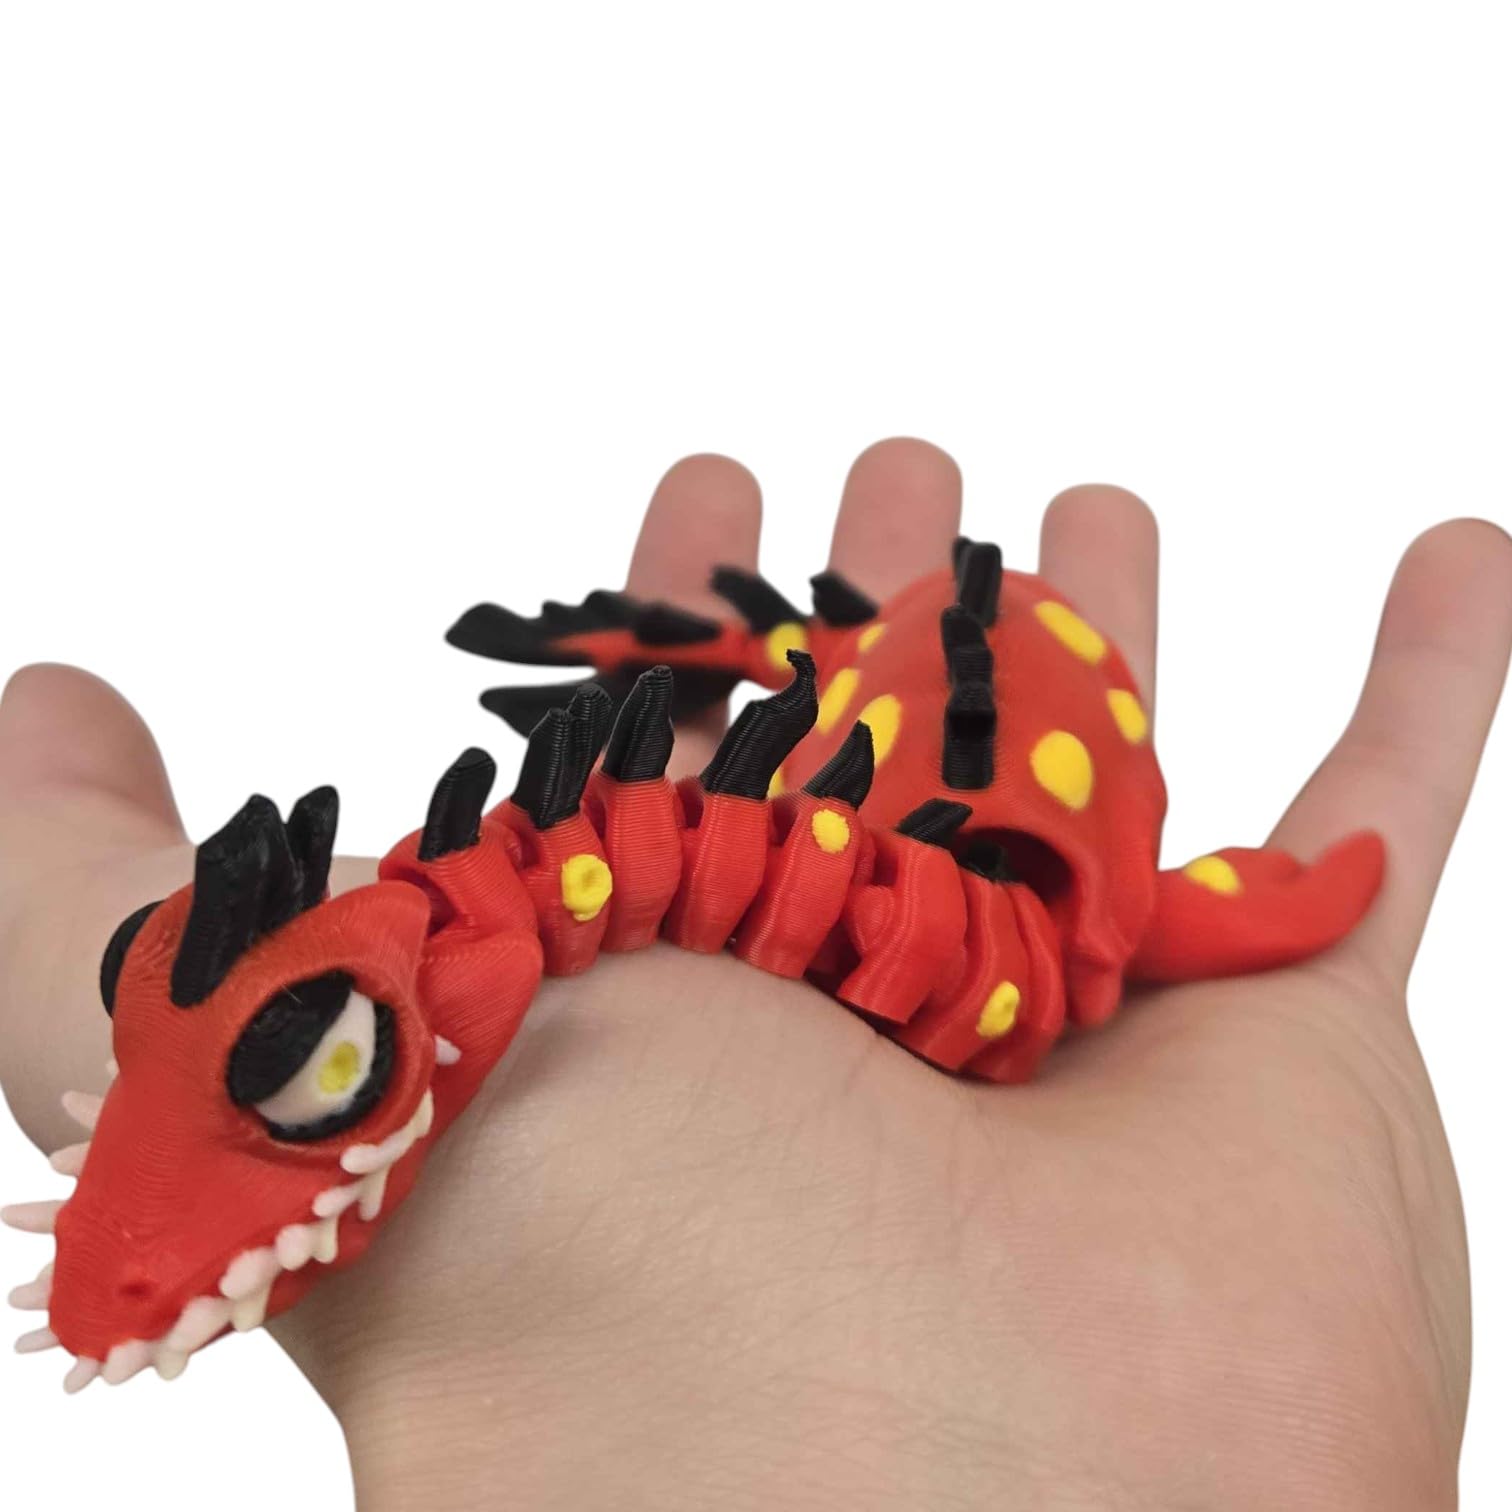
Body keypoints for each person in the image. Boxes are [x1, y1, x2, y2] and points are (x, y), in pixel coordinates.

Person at [0, 439, 1506, 1510]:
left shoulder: (1019, 942)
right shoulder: (487, 931)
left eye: (325, 1064)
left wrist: (1210, 910)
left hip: (988, 818)